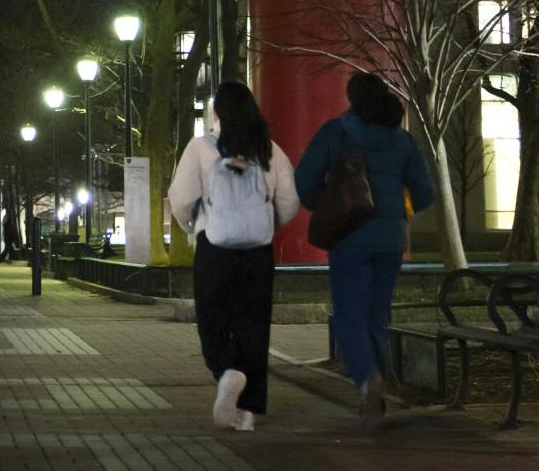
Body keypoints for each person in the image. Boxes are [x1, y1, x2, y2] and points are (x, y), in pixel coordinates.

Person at [295, 71, 436, 433]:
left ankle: (368, 379)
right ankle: (375, 391)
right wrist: (397, 206)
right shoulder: (402, 141)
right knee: (376, 316)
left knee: (348, 318)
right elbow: (423, 193)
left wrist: (324, 204)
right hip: (390, 242)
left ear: (353, 100)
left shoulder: (335, 133)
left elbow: (304, 180)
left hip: (350, 238)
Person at [167, 80, 301, 434]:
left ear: (217, 113)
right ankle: (248, 414)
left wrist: (191, 225)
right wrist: (266, 224)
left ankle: (226, 371)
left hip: (215, 247)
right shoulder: (271, 151)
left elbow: (180, 198)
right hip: (257, 252)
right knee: (253, 328)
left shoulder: (201, 148)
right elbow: (289, 202)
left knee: (212, 320)